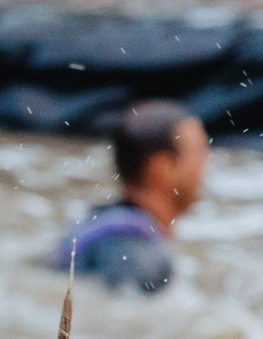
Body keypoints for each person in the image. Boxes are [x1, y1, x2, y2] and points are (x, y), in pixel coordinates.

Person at [45, 100, 207, 293]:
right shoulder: (139, 257)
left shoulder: (95, 222)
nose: (207, 166)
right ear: (163, 167)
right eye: (199, 154)